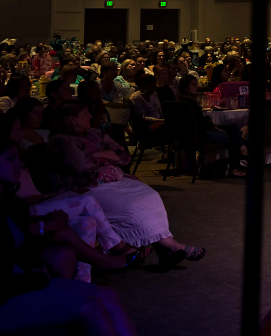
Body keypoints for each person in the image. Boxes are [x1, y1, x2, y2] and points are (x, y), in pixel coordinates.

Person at [39, 102, 206, 267]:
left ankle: (165, 248)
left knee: (149, 196)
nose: (90, 116)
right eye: (85, 114)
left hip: (109, 179)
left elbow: (124, 155)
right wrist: (105, 156)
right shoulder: (62, 142)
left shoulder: (94, 134)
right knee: (132, 205)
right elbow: (82, 169)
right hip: (83, 187)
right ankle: (171, 246)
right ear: (72, 120)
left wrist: (103, 156)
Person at [0, 141, 140, 336]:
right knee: (93, 307)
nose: (20, 164)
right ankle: (110, 253)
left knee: (106, 292)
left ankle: (91, 273)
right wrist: (39, 276)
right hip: (8, 296)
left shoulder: (9, 202)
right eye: (10, 159)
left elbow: (19, 240)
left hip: (21, 273)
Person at [177, 74, 247, 177]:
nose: (196, 86)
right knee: (231, 136)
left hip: (199, 131)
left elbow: (201, 120)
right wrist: (214, 127)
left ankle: (242, 147)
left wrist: (213, 126)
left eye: (196, 84)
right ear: (185, 86)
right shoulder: (188, 103)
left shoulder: (185, 101)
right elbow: (198, 122)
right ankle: (235, 166)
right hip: (198, 135)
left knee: (233, 127)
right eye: (193, 84)